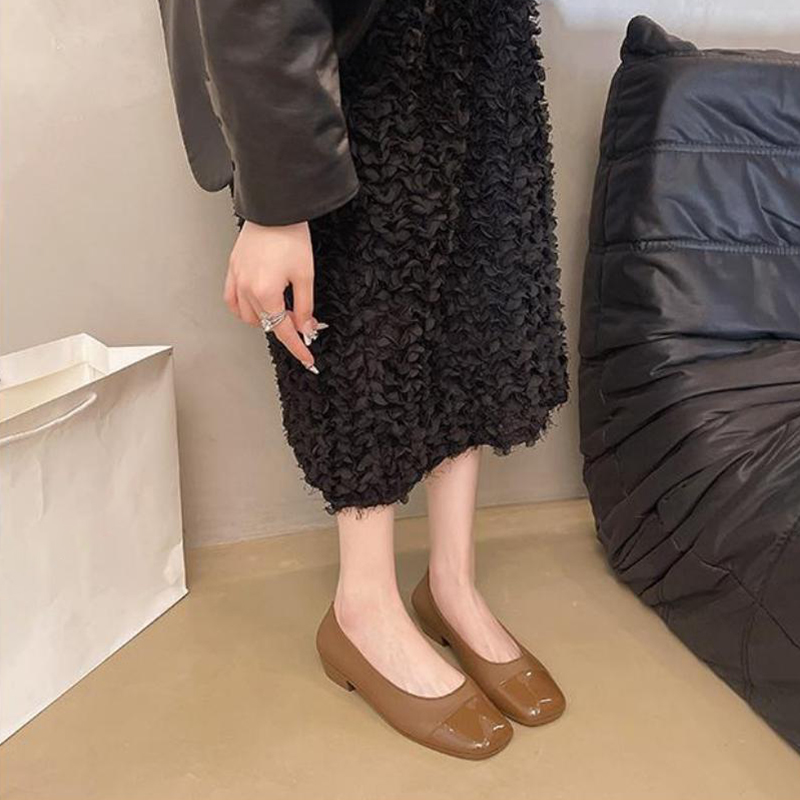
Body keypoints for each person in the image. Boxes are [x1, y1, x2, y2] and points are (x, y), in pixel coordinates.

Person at [158, 0, 569, 758]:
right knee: (367, 331)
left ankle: (450, 583)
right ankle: (364, 606)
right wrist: (278, 204)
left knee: (476, 310)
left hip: (479, 40)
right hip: (349, 57)